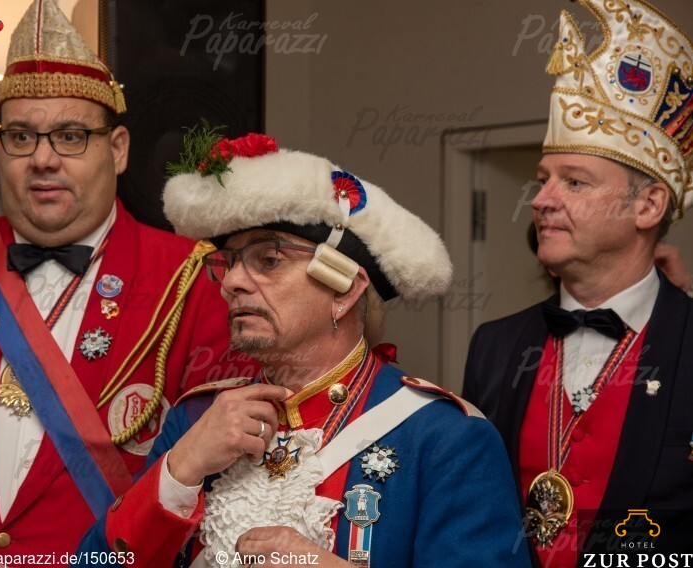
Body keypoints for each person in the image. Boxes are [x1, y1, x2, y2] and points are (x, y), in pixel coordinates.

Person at [0, 1, 242, 565]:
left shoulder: (191, 279)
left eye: (71, 135)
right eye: (21, 136)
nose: (43, 159)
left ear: (118, 150)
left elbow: (222, 482)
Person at [75, 127, 531, 567]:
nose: (232, 283)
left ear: (344, 290)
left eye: (268, 259)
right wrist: (180, 469)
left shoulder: (445, 438)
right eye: (229, 263)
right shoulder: (195, 419)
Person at [462, 0, 693, 565]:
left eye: (574, 182)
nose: (541, 199)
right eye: (544, 179)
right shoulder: (494, 346)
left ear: (648, 206)